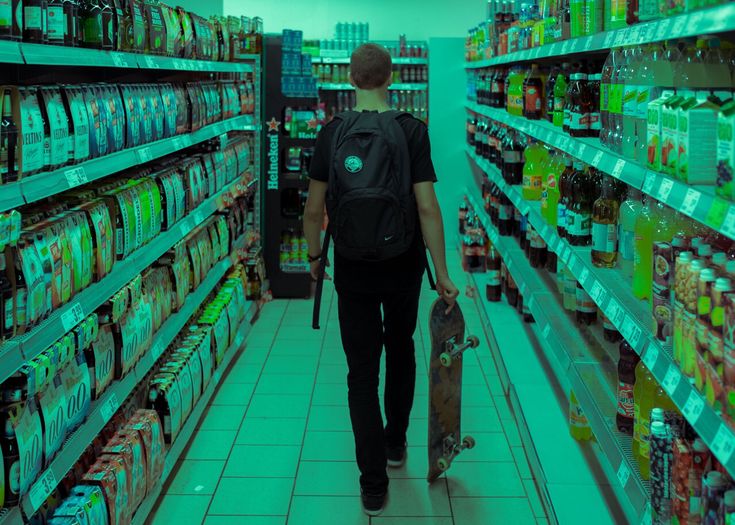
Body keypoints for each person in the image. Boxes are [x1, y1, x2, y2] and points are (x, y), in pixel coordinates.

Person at [302, 42, 459, 516]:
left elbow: (313, 211)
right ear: (390, 79)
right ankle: (395, 444)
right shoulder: (412, 131)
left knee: (360, 372)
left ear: (351, 80)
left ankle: (372, 485)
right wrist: (444, 274)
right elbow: (427, 207)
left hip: (351, 264)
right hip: (403, 262)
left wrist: (315, 257)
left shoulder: (331, 133)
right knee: (402, 347)